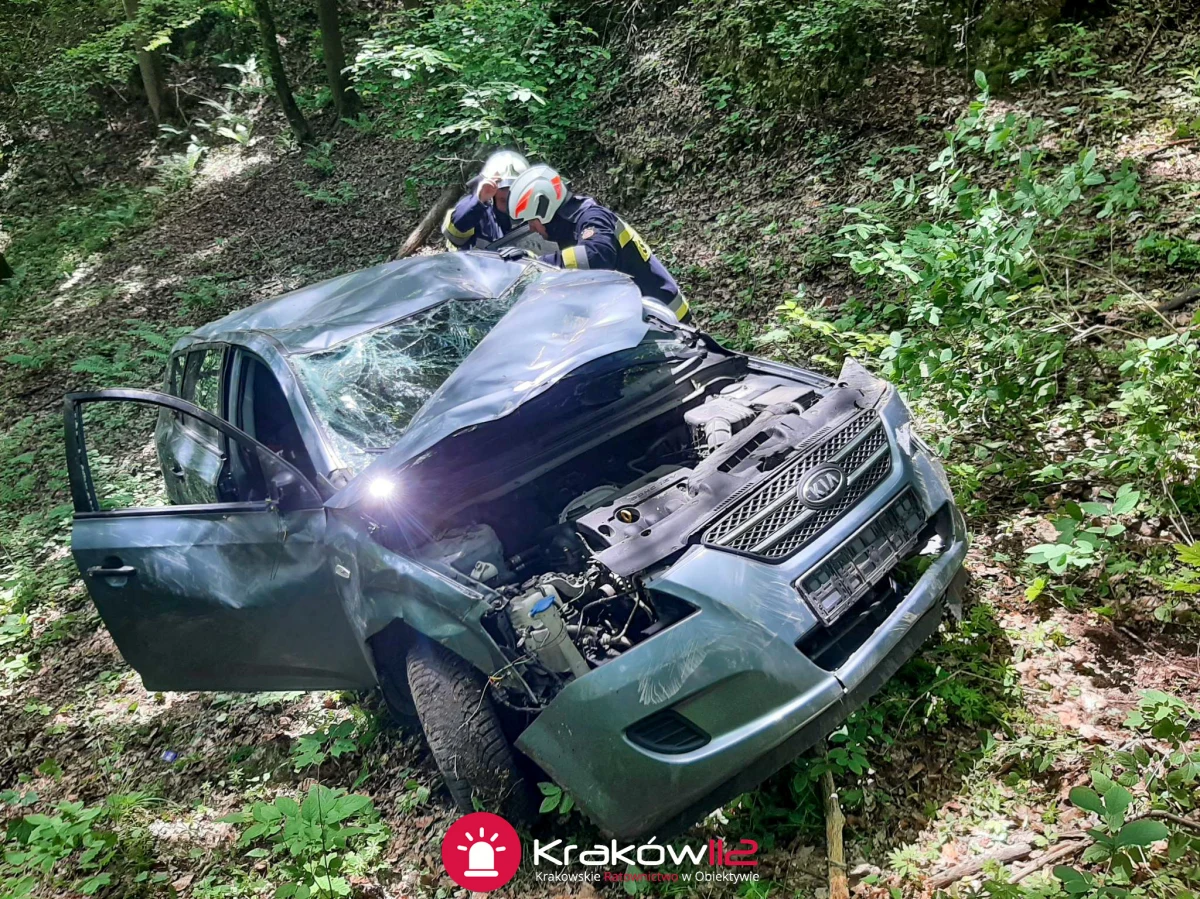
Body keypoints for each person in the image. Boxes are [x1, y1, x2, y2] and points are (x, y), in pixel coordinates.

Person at [504, 164, 689, 322]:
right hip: (642, 314)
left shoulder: (592, 217)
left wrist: (537, 265)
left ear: (544, 208)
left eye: (531, 220)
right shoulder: (569, 228)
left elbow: (596, 256)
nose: (532, 228)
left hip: (667, 318)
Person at [441, 150, 529, 251]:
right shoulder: (472, 207)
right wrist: (478, 201)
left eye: (515, 187)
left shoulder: (533, 213)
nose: (508, 193)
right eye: (502, 187)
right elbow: (454, 233)